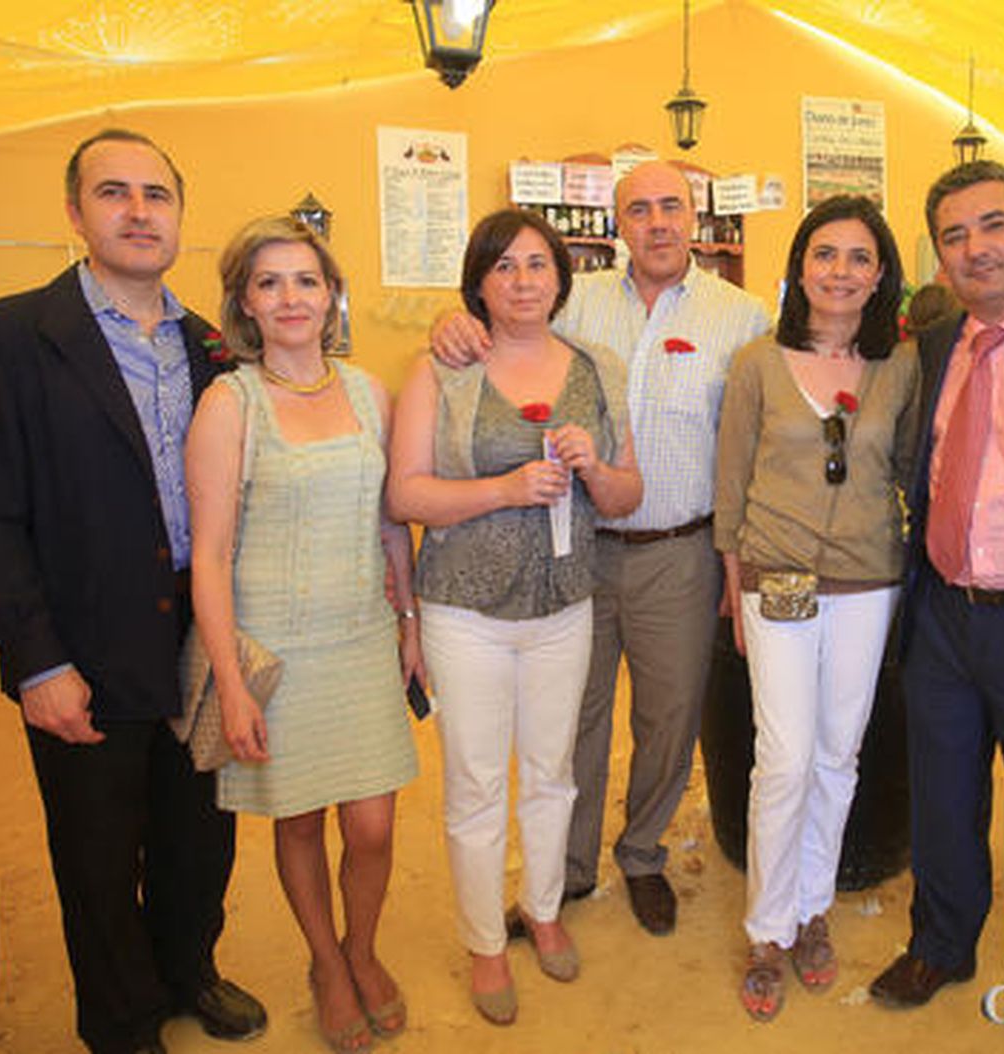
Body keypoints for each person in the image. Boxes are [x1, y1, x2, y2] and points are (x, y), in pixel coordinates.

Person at [0, 129, 266, 1054]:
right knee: (95, 852)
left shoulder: (215, 346)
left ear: (178, 214)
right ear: (76, 212)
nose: (137, 210)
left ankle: (188, 970)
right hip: (83, 637)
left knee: (198, 837)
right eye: (113, 192)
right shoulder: (4, 339)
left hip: (196, 631)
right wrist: (37, 659)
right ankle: (121, 1022)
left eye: (156, 194)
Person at [428, 162, 770, 936]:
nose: (657, 222)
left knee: (668, 718)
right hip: (574, 550)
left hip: (678, 553)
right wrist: (445, 329)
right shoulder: (569, 303)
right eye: (639, 208)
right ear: (617, 223)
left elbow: (748, 451)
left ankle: (642, 854)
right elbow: (495, 336)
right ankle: (568, 871)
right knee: (571, 720)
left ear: (694, 216)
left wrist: (733, 565)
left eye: (671, 207)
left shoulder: (742, 317)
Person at [390, 208, 642, 1025]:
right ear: (480, 282)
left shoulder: (598, 367)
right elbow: (405, 492)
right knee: (471, 781)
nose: (524, 281)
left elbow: (627, 493)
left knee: (551, 771)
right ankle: (484, 945)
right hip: (465, 606)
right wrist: (502, 490)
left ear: (561, 278)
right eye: (505, 267)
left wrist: (594, 466)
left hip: (565, 603)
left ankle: (542, 909)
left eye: (539, 264)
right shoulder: (443, 366)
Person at [184, 216, 419, 1054]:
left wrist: (409, 619)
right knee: (297, 822)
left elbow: (393, 522)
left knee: (373, 828)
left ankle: (363, 946)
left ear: (331, 296)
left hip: (360, 639)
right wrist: (233, 682)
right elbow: (208, 558)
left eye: (306, 281)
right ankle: (327, 962)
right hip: (276, 649)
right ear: (244, 303)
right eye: (270, 282)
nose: (291, 298)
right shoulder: (229, 403)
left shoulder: (366, 392)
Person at [868, 162, 1004, 1054]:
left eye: (993, 225)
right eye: (954, 236)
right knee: (943, 795)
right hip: (944, 616)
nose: (975, 248)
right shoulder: (930, 346)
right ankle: (941, 943)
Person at [713, 195, 916, 1022]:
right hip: (778, 581)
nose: (840, 271)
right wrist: (733, 575)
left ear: (880, 276)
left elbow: (906, 469)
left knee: (840, 754)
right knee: (786, 756)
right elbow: (730, 479)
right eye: (825, 254)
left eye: (859, 257)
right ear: (800, 268)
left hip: (867, 583)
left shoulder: (899, 366)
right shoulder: (758, 361)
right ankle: (766, 929)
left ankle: (811, 912)